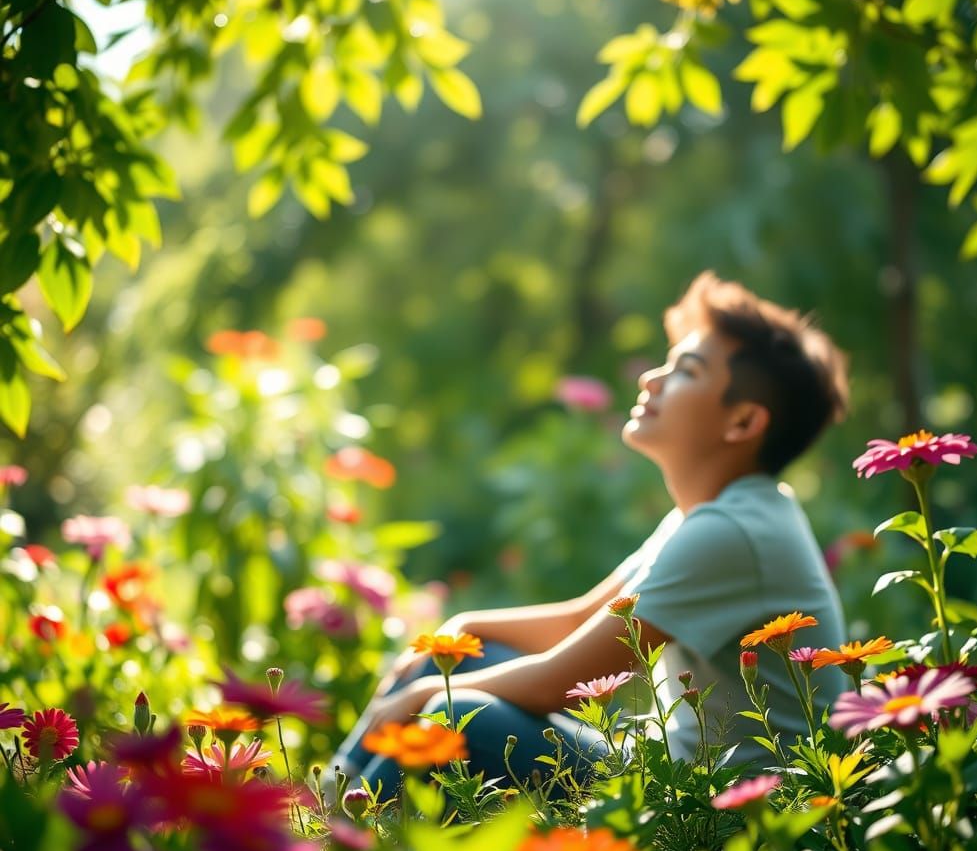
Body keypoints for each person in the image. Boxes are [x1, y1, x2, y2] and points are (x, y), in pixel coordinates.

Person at [333, 270, 849, 796]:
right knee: (454, 655)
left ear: (742, 422)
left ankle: (341, 845)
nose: (651, 378)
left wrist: (418, 695)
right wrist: (461, 629)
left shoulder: (732, 531)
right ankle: (332, 800)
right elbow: (581, 619)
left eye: (685, 371)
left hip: (717, 807)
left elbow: (557, 682)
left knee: (453, 711)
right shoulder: (711, 515)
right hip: (674, 775)